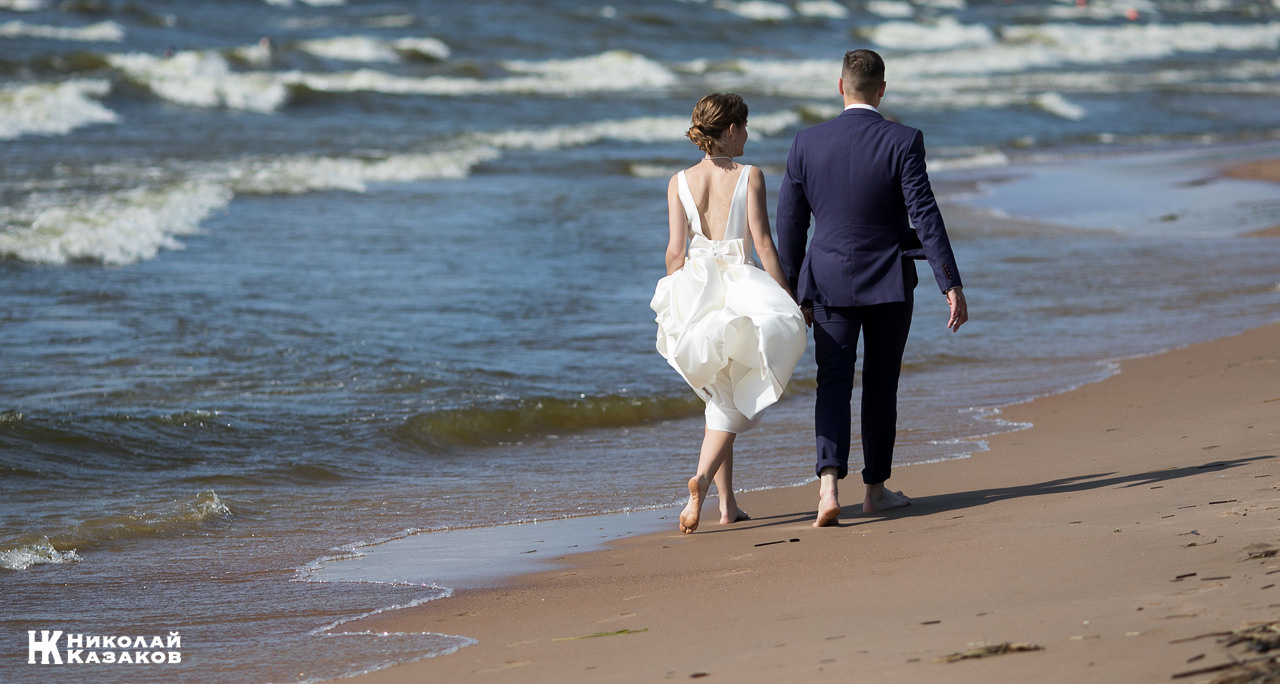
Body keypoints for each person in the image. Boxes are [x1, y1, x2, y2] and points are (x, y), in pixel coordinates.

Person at [775, 49, 969, 528]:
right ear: (881, 89)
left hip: (826, 284)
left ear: (840, 86)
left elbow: (790, 225)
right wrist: (951, 282)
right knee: (881, 384)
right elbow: (924, 215)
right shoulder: (903, 141)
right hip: (888, 282)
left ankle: (827, 487)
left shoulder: (805, 143)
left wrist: (793, 292)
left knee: (832, 382)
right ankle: (875, 490)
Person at [650, 93, 808, 534]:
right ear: (731, 129)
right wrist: (787, 297)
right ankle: (699, 481)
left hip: (696, 292)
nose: (748, 134)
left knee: (718, 395)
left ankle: (727, 505)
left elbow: (675, 252)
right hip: (741, 290)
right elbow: (762, 244)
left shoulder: (678, 181)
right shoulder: (749, 175)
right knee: (734, 396)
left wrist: (676, 299)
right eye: (745, 125)